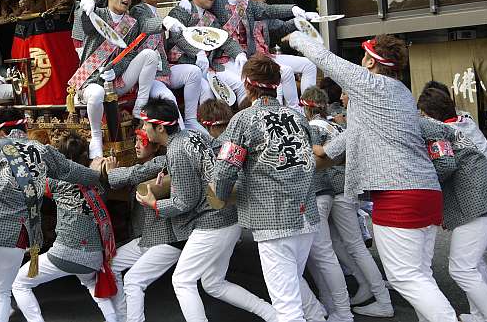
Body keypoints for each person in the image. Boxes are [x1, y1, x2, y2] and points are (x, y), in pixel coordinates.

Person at [290, 33, 458, 322]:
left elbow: (325, 59)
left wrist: (296, 37)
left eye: (363, 56)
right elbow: (356, 132)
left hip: (398, 193)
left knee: (405, 277)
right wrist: (327, 151)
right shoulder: (400, 92)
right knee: (419, 275)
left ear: (370, 61)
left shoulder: (371, 83)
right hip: (425, 190)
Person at [0, 108, 104, 322]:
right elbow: (71, 171)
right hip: (19, 234)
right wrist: (99, 174)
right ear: (25, 127)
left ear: (0, 131)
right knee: (1, 293)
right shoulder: (42, 150)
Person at [135, 98, 276, 322]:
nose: (143, 128)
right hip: (227, 215)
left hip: (212, 221)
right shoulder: (193, 134)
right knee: (213, 283)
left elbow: (185, 202)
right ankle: (272, 314)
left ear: (160, 127)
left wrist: (154, 204)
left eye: (145, 124)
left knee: (182, 280)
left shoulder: (177, 149)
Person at [213, 54, 319, 322]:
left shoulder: (244, 119)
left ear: (247, 85)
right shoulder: (297, 117)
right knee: (294, 286)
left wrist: (220, 196)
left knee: (287, 308)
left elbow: (225, 170)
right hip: (306, 214)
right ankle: (319, 316)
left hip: (273, 219)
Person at [418, 88, 487, 322]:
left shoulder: (440, 130)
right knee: (475, 261)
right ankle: (482, 315)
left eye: (422, 113)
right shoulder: (464, 122)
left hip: (481, 200)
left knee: (463, 267)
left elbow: (445, 166)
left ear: (429, 114)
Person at [300, 92, 394, 316]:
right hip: (345, 188)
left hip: (330, 190)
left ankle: (379, 299)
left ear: (306, 107)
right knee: (342, 244)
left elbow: (316, 158)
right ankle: (367, 286)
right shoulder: (337, 126)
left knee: (346, 246)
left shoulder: (313, 127)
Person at [12, 132, 122, 322]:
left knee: (19, 283)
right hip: (94, 256)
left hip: (65, 253)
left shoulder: (57, 182)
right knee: (92, 285)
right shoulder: (99, 182)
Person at [68, 0, 163, 159]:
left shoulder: (132, 23)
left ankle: (140, 107)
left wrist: (115, 71)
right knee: (97, 94)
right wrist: (86, 11)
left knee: (149, 55)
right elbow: (87, 28)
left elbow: (129, 54)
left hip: (116, 81)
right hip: (91, 79)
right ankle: (96, 136)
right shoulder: (97, 14)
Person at [105, 125, 179, 322]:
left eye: (142, 141)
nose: (137, 145)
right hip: (146, 237)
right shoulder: (145, 163)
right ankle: (122, 316)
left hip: (164, 238)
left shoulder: (162, 162)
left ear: (155, 145)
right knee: (111, 265)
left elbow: (134, 174)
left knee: (133, 281)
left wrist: (111, 173)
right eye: (136, 141)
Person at [130, 0, 203, 130]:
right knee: (168, 98)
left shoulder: (155, 12)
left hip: (164, 69)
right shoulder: (138, 10)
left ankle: (191, 119)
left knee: (194, 72)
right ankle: (181, 133)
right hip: (149, 75)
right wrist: (164, 23)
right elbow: (146, 25)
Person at [165, 0, 247, 104]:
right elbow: (177, 36)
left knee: (241, 84)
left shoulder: (211, 18)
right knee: (207, 91)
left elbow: (224, 39)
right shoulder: (181, 11)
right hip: (181, 63)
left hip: (209, 67)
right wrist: (198, 52)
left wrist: (239, 53)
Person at [246, 0, 318, 98]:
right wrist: (293, 10)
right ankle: (286, 107)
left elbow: (283, 27)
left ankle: (307, 105)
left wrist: (301, 19)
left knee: (309, 64)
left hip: (267, 57)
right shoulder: (241, 9)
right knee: (284, 71)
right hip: (250, 59)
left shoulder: (265, 14)